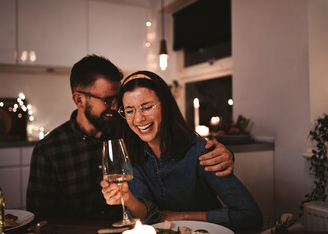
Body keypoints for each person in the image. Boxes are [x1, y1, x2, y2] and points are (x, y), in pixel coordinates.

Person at [26, 55, 234, 220]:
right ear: (79, 100)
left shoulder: (130, 129)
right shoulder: (49, 150)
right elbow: (39, 218)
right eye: (107, 100)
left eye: (117, 99)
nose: (116, 107)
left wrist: (225, 154)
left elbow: (179, 143)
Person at [101, 71, 263, 231]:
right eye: (130, 110)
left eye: (147, 107)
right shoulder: (132, 155)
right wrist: (128, 198)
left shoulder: (201, 151)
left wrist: (181, 217)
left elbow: (250, 216)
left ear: (165, 105)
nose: (138, 119)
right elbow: (150, 216)